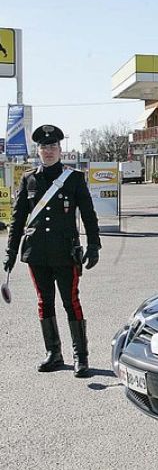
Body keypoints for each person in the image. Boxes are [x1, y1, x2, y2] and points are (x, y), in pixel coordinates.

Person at [3, 125, 101, 378]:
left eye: (53, 146)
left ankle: (81, 356)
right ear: (38, 150)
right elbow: (18, 219)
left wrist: (93, 245)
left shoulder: (74, 179)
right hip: (37, 254)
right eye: (44, 147)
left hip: (65, 253)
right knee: (44, 302)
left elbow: (89, 216)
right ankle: (54, 353)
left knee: (71, 303)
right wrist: (11, 252)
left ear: (60, 149)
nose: (48, 151)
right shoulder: (29, 178)